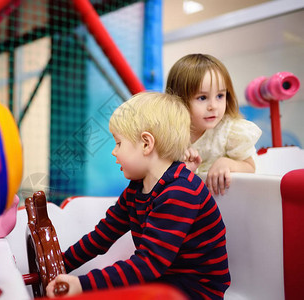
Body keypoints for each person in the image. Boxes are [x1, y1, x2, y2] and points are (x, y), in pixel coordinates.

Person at [46, 92, 230, 299]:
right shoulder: (137, 188)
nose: (114, 152)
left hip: (195, 291)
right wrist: (62, 263)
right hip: (163, 280)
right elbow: (103, 234)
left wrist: (83, 285)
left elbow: (148, 264)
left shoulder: (180, 192)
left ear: (146, 144)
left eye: (118, 143)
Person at [166, 53, 262, 196]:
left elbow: (250, 167)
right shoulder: (169, 135)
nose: (213, 106)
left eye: (220, 96)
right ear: (178, 100)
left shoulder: (229, 131)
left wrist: (228, 163)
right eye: (202, 97)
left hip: (223, 205)